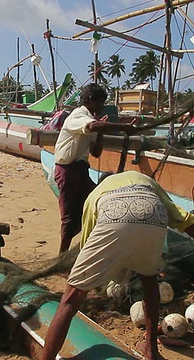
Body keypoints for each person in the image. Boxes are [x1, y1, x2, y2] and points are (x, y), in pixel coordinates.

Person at [42, 171, 194, 360]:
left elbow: (88, 241)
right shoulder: (145, 180)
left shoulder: (95, 195)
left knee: (70, 300)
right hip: (153, 212)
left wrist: (87, 276)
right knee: (149, 282)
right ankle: (151, 351)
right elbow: (182, 218)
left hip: (114, 213)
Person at [53, 83, 137, 254]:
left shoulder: (91, 121)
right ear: (90, 100)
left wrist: (100, 132)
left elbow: (96, 152)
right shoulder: (78, 115)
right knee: (69, 216)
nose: (101, 107)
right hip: (67, 171)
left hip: (81, 171)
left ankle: (88, 248)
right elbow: (92, 126)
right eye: (100, 103)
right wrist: (122, 127)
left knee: (96, 205)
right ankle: (62, 256)